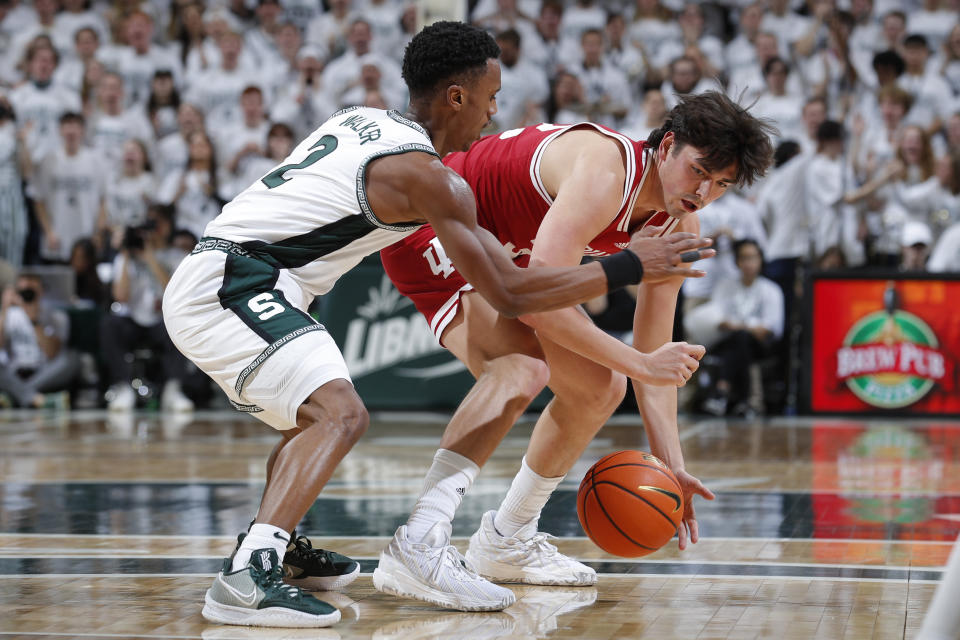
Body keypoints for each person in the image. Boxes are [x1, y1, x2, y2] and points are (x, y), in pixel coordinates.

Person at [161, 21, 714, 629]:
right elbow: (510, 292)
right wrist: (629, 266)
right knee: (343, 414)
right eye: (490, 98)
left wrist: (664, 444)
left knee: (309, 413)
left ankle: (282, 546)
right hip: (238, 279)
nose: (493, 112)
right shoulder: (432, 178)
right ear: (457, 97)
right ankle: (251, 576)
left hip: (248, 273)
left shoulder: (360, 118)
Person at [377, 90, 774, 610]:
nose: (704, 192)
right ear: (668, 145)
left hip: (507, 254)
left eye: (721, 185)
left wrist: (670, 464)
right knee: (520, 368)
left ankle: (507, 538)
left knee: (597, 387)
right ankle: (419, 539)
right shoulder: (609, 171)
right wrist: (638, 361)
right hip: (437, 219)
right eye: (700, 171)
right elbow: (541, 303)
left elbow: (657, 357)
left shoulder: (679, 224)